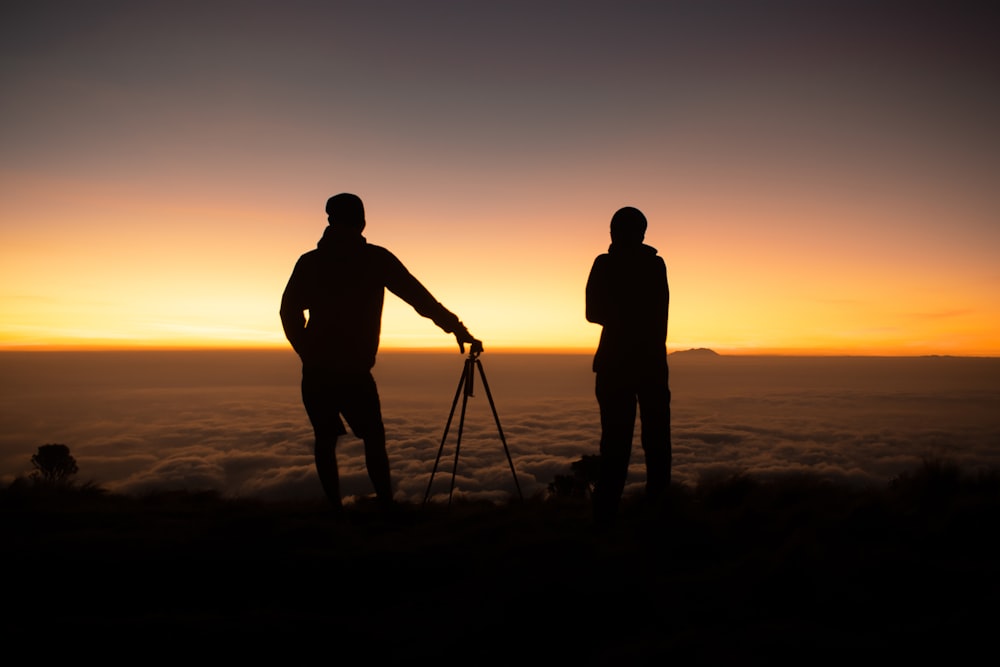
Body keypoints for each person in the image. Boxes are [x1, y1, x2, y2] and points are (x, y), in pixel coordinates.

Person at [280, 193, 482, 515]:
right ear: (361, 221)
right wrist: (457, 329)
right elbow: (420, 299)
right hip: (353, 370)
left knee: (327, 439)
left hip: (319, 370)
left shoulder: (312, 262)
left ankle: (337, 512)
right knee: (372, 437)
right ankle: (386, 507)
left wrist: (309, 352)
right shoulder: (374, 259)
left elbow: (289, 312)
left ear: (330, 220)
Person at [585, 205, 671, 527]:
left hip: (616, 365)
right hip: (650, 363)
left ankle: (606, 519)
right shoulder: (655, 265)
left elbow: (593, 313)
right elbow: (657, 315)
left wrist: (619, 313)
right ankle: (658, 515)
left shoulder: (605, 264)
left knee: (617, 444)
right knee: (656, 442)